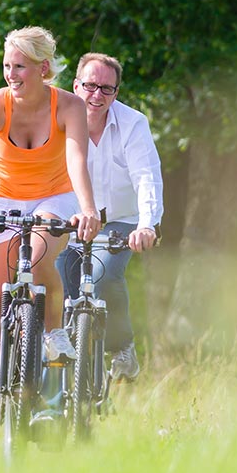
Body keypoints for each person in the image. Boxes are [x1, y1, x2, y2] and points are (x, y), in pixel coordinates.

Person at [0, 27, 101, 449]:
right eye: (6, 66)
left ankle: (53, 332)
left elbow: (76, 160)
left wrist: (88, 209)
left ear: (43, 68)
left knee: (38, 261)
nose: (11, 74)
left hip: (53, 196)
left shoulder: (69, 106)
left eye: (19, 66)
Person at [65, 52, 163, 381]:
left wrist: (147, 225)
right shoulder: (57, 119)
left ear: (116, 93)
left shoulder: (133, 124)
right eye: (90, 86)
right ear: (76, 85)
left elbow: (146, 177)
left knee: (105, 274)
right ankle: (65, 371)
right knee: (59, 280)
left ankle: (122, 347)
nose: (97, 95)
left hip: (122, 219)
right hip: (72, 220)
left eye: (107, 89)